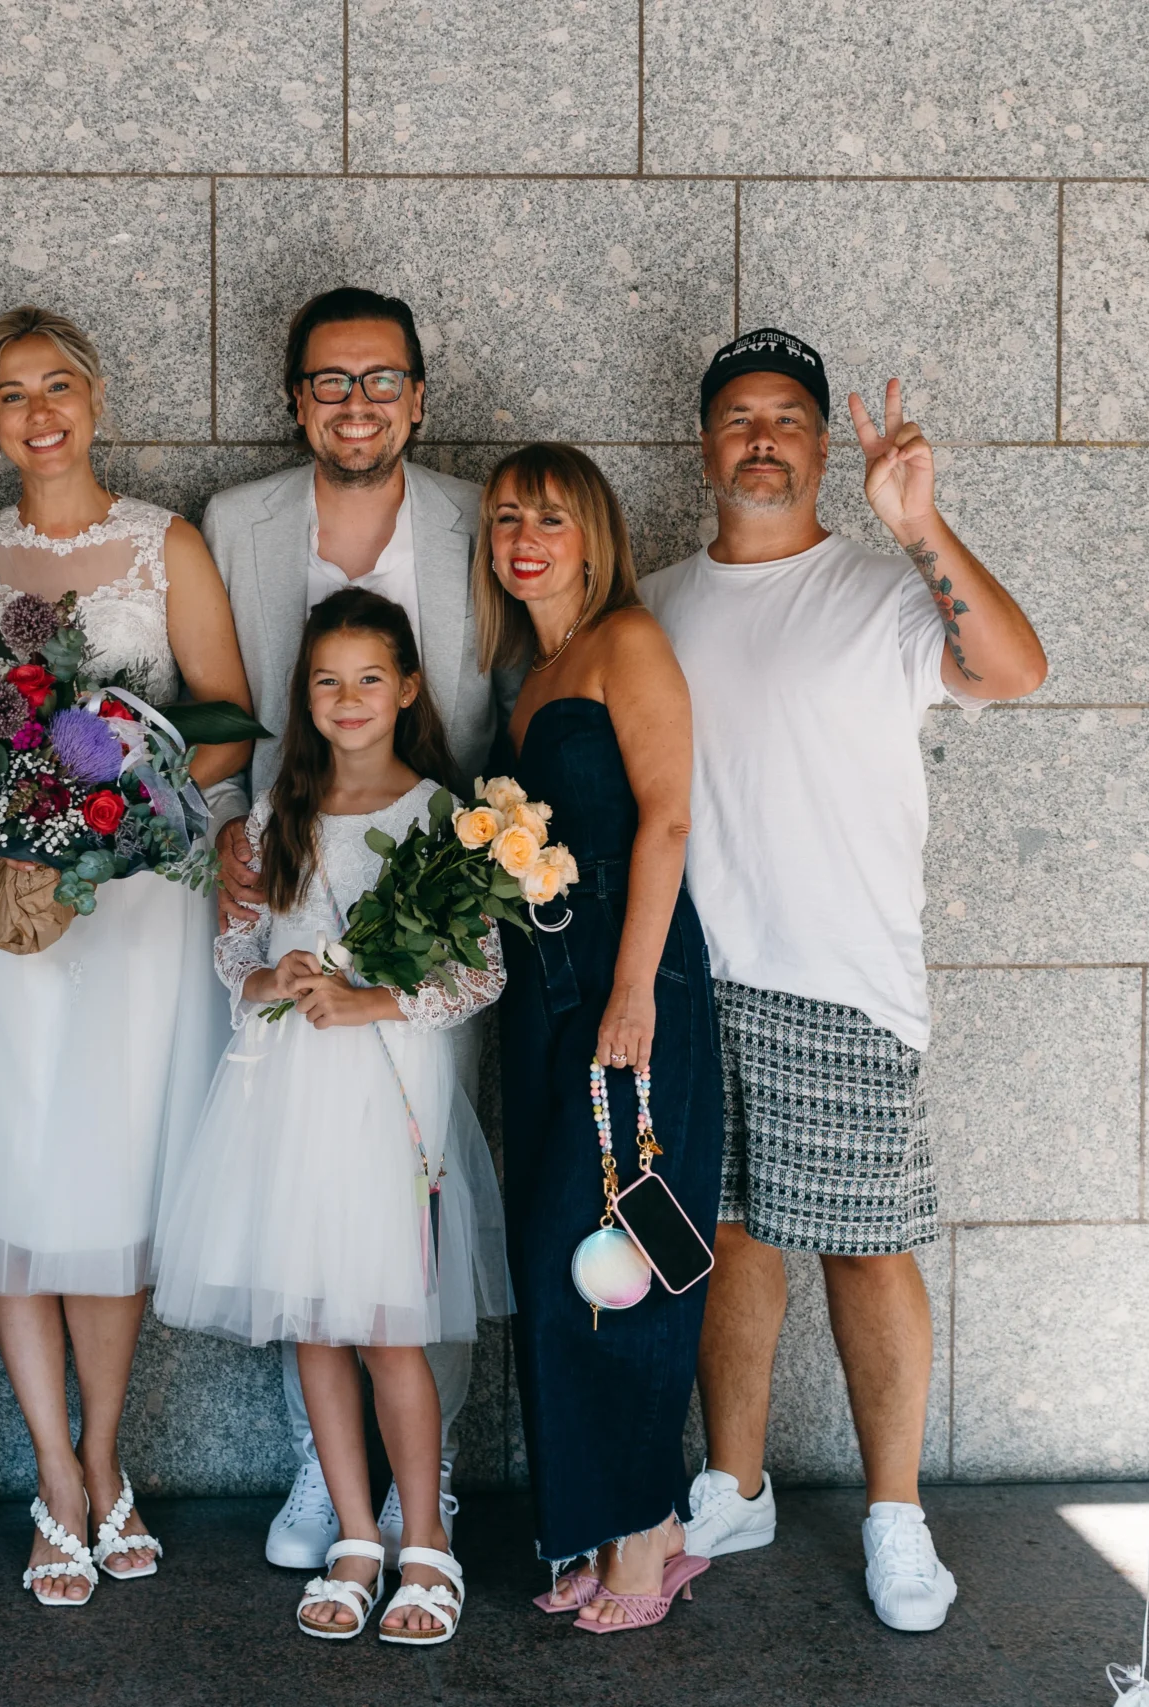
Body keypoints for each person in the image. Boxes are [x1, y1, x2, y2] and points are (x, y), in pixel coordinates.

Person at [644, 329, 1046, 1633]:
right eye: (739, 417)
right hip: (701, 980)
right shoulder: (653, 602)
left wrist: (921, 522)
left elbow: (1013, 670)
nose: (762, 437)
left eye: (787, 418)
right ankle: (736, 1478)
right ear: (704, 444)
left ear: (819, 444)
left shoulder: (883, 591)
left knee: (869, 1246)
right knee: (727, 1237)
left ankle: (895, 1514)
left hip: (847, 984)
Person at [0, 305, 254, 1605]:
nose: (38, 409)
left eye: (58, 384)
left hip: (136, 891)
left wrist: (117, 806)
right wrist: (28, 809)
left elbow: (223, 718)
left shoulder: (169, 543)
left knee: (109, 1181)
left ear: (96, 397)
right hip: (15, 898)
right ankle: (54, 1474)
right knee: (15, 1169)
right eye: (11, 392)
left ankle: (110, 1459)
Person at [198, 286, 494, 1571]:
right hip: (297, 851)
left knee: (428, 1214)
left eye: (380, 379)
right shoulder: (238, 522)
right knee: (302, 1221)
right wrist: (231, 834)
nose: (356, 401)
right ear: (294, 398)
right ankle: (333, 1488)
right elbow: (221, 698)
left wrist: (495, 857)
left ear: (419, 396)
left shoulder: (475, 520)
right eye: (329, 380)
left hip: (439, 892)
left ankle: (434, 1492)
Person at [154, 589, 510, 1646]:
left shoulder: (444, 819)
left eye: (368, 679)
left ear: (406, 688)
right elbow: (235, 958)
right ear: (302, 697)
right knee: (312, 1318)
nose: (347, 700)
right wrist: (273, 975)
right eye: (325, 681)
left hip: (390, 1095)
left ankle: (426, 1540)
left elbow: (478, 973)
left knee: (389, 1324)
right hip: (284, 1095)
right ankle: (355, 1536)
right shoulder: (275, 815)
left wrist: (368, 999)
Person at [487, 443, 723, 1635]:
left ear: (595, 536)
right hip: (546, 1001)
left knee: (619, 1264)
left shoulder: (627, 642)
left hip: (631, 993)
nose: (523, 537)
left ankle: (641, 1533)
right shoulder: (527, 677)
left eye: (551, 518)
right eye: (505, 517)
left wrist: (633, 994)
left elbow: (669, 816)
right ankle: (622, 1519)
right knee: (556, 1263)